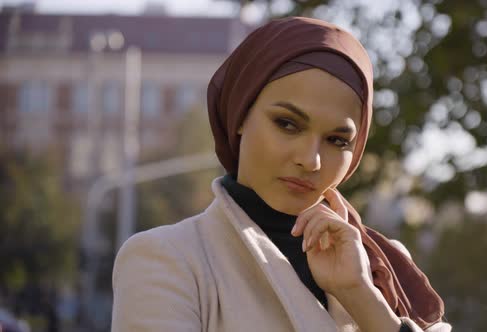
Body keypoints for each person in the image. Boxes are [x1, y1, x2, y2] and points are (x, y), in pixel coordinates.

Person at [111, 16, 451, 332]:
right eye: (287, 124)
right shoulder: (167, 259)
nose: (311, 160)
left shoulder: (384, 266)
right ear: (241, 114)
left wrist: (363, 298)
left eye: (337, 140)